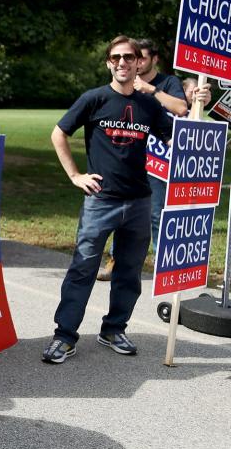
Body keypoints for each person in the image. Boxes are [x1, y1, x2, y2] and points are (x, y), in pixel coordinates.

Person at [42, 36, 173, 364]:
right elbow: (59, 133)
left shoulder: (148, 104)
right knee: (83, 268)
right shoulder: (94, 98)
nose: (122, 63)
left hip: (140, 201)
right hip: (101, 201)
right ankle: (65, 336)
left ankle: (114, 329)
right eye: (116, 57)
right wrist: (75, 176)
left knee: (129, 271)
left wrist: (198, 102)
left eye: (129, 57)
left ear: (138, 62)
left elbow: (174, 135)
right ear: (108, 63)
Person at [96, 39, 211, 280]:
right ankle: (115, 262)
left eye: (142, 58)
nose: (134, 63)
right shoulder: (126, 80)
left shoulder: (167, 82)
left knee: (157, 213)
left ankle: (162, 267)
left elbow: (180, 108)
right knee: (122, 214)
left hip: (160, 162)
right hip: (131, 159)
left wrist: (150, 90)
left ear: (153, 59)